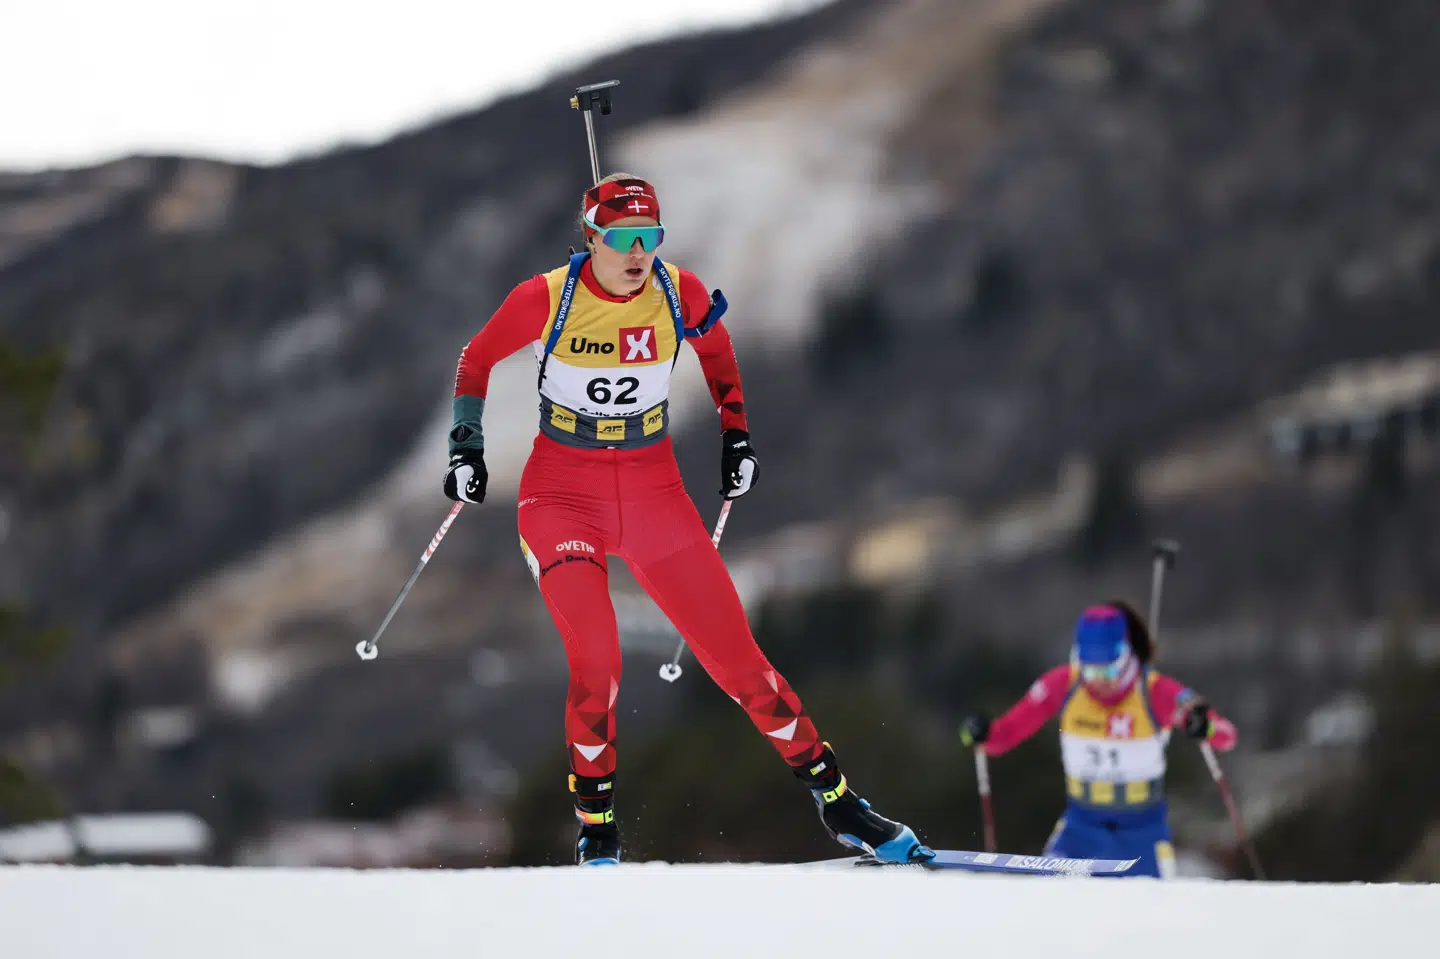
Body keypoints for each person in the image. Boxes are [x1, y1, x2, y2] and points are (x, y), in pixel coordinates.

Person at [442, 173, 932, 866]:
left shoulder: (679, 291)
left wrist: (738, 437)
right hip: (562, 494)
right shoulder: (546, 297)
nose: (639, 252)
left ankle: (842, 802)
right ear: (592, 238)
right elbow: (476, 357)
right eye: (623, 239)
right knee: (598, 661)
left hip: (653, 491)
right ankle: (598, 828)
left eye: (651, 237)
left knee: (742, 666)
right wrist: (467, 446)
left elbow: (718, 354)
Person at [958, 601, 1236, 878]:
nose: (1100, 682)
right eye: (1090, 671)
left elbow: (1225, 735)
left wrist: (1204, 726)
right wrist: (982, 733)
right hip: (1081, 828)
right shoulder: (1063, 685)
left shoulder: (1153, 691)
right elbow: (1004, 735)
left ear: (1126, 656)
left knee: (1149, 915)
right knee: (1045, 904)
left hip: (1141, 832)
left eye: (1109, 671)